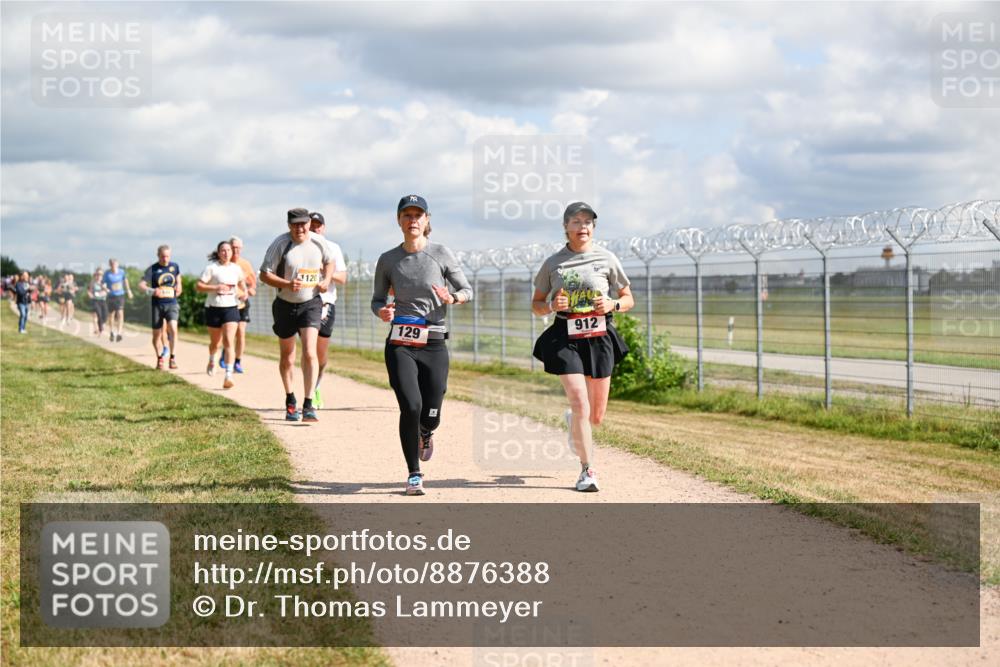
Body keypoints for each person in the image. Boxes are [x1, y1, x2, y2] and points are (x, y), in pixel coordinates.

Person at [371, 194, 473, 496]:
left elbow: (467, 289)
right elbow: (377, 299)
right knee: (411, 406)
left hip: (434, 341)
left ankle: (426, 432)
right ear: (399, 220)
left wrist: (452, 297)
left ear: (427, 220)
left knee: (431, 412)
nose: (412, 220)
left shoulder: (440, 253)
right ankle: (414, 473)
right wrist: (382, 311)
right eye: (407, 215)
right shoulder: (388, 259)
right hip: (400, 342)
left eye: (418, 215)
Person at [530, 202, 634, 493]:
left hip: (599, 336)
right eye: (576, 221)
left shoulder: (607, 258)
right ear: (566, 227)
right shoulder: (553, 263)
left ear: (593, 227)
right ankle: (587, 471)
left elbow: (628, 298)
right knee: (580, 402)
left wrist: (613, 304)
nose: (582, 227)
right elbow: (536, 305)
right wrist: (552, 305)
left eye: (587, 222)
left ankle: (575, 422)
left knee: (595, 417)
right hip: (565, 336)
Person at [259, 208, 335, 423]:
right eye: (295, 225)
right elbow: (264, 274)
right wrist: (287, 284)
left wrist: (326, 280)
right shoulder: (280, 244)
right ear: (289, 225)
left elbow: (330, 262)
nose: (299, 228)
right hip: (285, 304)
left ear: (309, 224)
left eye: (303, 224)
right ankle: (290, 399)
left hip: (311, 303)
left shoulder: (318, 242)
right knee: (288, 356)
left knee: (310, 352)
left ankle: (308, 404)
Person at [308, 211, 348, 409]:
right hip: (306, 303)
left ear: (323, 227)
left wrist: (327, 272)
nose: (315, 228)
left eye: (318, 225)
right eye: (312, 225)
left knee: (321, 354)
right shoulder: (300, 247)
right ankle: (309, 394)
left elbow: (342, 278)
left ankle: (317, 385)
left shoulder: (333, 248)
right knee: (309, 351)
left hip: (326, 304)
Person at [196, 240, 246, 386]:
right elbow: (199, 286)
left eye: (228, 250)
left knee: (229, 341)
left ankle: (228, 376)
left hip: (231, 308)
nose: (226, 253)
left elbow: (242, 284)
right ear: (218, 253)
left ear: (232, 252)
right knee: (215, 343)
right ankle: (212, 359)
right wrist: (215, 288)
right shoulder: (211, 268)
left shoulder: (236, 269)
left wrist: (244, 293)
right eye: (223, 250)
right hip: (214, 308)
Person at [138, 245, 182, 369]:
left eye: (167, 256)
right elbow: (141, 285)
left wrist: (179, 288)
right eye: (163, 256)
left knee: (173, 329)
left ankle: (172, 358)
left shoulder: (175, 266)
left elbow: (179, 281)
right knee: (157, 335)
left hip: (172, 303)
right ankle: (160, 358)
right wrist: (152, 291)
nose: (165, 259)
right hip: (157, 305)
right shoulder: (152, 269)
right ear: (158, 256)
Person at [219, 235, 257, 375]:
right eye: (233, 247)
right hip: (227, 303)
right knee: (229, 333)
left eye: (238, 248)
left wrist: (251, 290)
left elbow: (252, 284)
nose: (236, 250)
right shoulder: (222, 265)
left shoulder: (245, 264)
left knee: (241, 332)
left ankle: (237, 361)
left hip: (242, 303)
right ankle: (225, 352)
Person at [102, 258, 133, 342]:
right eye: (112, 264)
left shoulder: (122, 272)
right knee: (111, 315)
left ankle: (119, 333)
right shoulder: (107, 273)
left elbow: (125, 281)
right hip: (111, 296)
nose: (113, 265)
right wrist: (105, 289)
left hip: (120, 295)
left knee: (120, 313)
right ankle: (111, 332)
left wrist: (129, 291)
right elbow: (103, 284)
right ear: (110, 265)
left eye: (115, 264)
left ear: (117, 264)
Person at [87, 268, 109, 336]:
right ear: (95, 274)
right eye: (98, 274)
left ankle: (100, 327)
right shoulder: (92, 282)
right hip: (95, 301)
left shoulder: (104, 283)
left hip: (103, 300)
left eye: (101, 274)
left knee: (105, 315)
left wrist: (103, 291)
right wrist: (90, 295)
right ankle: (99, 329)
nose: (99, 276)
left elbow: (107, 291)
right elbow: (89, 291)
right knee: (98, 314)